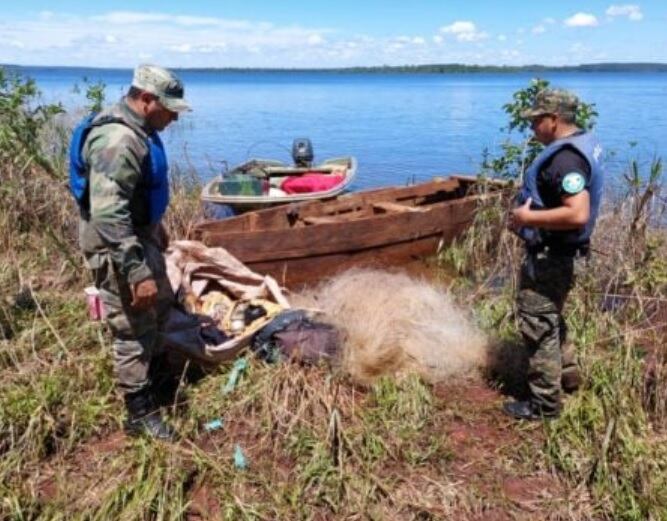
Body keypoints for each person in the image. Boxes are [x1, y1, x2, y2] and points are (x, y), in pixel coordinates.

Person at [69, 64, 191, 440]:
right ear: (146, 99)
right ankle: (139, 414)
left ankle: (158, 380)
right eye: (168, 108)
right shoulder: (118, 141)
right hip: (117, 248)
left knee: (156, 309)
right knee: (131, 327)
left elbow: (134, 196)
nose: (173, 116)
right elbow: (108, 214)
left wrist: (156, 228)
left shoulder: (141, 130)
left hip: (138, 238)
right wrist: (136, 273)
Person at [504, 89, 603, 421]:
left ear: (554, 119)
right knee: (550, 318)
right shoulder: (580, 146)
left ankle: (544, 406)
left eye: (536, 120)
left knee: (537, 325)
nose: (532, 126)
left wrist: (526, 218)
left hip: (550, 256)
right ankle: (568, 377)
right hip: (560, 255)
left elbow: (577, 214)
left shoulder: (565, 159)